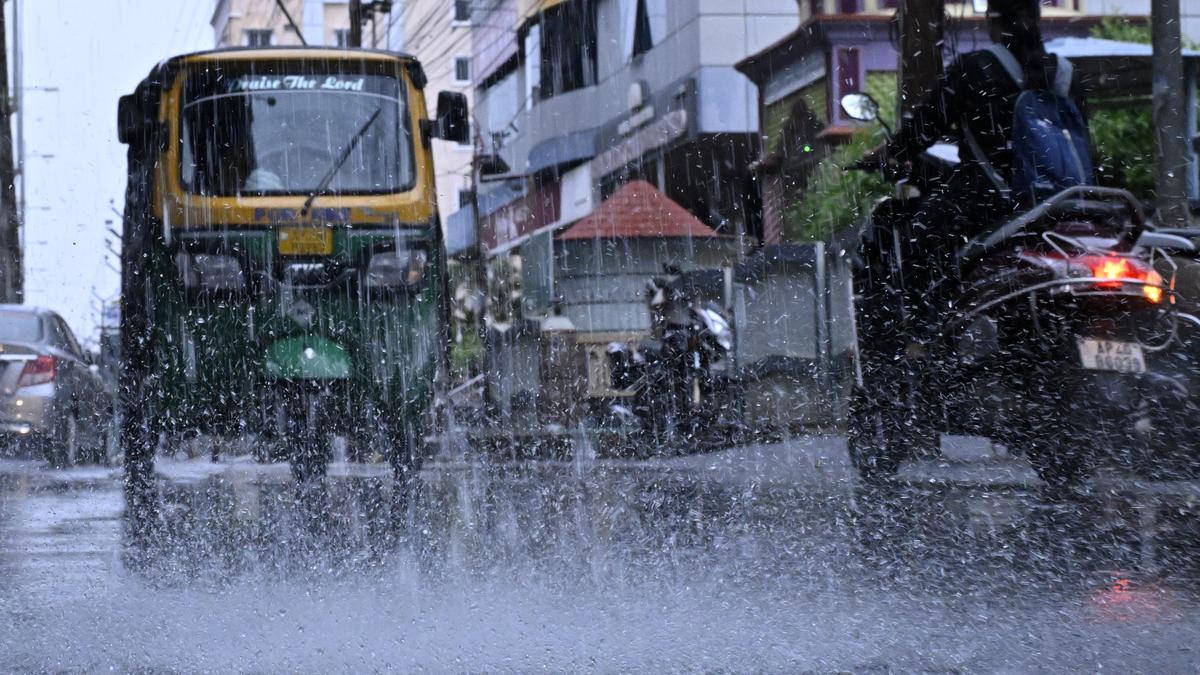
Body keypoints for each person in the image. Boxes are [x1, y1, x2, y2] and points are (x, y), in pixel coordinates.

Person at [868, 0, 1090, 245]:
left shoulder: (974, 68)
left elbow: (925, 127)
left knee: (917, 244)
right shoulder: (1068, 74)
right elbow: (1082, 140)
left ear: (990, 22)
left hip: (988, 202)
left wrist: (892, 151)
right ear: (1038, 21)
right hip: (1067, 202)